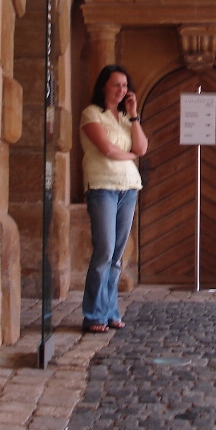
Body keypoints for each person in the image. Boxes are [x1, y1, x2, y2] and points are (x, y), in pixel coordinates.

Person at [79, 64, 147, 333]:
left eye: (125, 85)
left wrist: (134, 115)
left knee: (117, 256)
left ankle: (110, 312)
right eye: (116, 84)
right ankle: (93, 315)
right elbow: (106, 149)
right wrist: (130, 155)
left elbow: (142, 147)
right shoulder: (91, 114)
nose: (121, 90)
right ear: (104, 87)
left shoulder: (127, 119)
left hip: (129, 187)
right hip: (102, 186)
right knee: (104, 252)